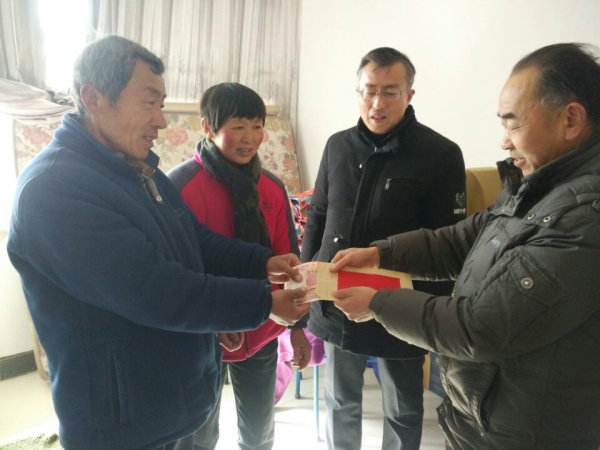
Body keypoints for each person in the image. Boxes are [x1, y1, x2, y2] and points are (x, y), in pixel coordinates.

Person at [6, 36, 310, 450]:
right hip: (120, 421)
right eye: (149, 103)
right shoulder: (55, 189)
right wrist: (264, 302)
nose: (162, 121)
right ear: (94, 99)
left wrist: (263, 262)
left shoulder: (136, 170)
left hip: (165, 403)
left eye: (161, 104)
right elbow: (154, 290)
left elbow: (194, 239)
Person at [330, 43, 600, 450]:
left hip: (522, 431)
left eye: (513, 124)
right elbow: (459, 239)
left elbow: (480, 327)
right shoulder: (538, 186)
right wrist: (382, 253)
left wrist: (378, 302)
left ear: (571, 119)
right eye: (370, 90)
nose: (504, 142)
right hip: (482, 415)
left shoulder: (583, 217)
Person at [301, 47, 466, 450]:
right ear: (357, 92)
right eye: (369, 90)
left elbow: (447, 243)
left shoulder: (440, 154)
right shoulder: (337, 146)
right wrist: (306, 281)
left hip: (400, 308)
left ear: (409, 95)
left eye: (390, 92)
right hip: (336, 299)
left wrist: (429, 315)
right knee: (340, 400)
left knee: (403, 408)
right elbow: (318, 215)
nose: (378, 103)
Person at [167, 82, 312, 450]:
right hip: (203, 335)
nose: (249, 138)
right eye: (238, 127)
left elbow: (289, 261)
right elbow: (177, 271)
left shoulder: (272, 187)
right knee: (198, 434)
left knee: (259, 432)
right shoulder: (180, 187)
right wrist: (214, 322)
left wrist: (298, 328)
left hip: (262, 328)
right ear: (208, 127)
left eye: (257, 126)